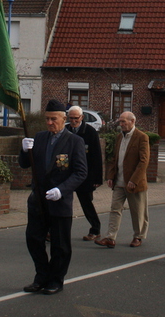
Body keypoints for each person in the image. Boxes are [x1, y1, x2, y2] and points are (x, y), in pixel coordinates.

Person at [19, 99, 88, 295]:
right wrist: (23, 151)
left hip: (59, 201)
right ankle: (41, 276)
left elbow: (80, 172)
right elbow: (25, 164)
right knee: (34, 239)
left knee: (60, 245)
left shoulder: (74, 142)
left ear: (63, 119)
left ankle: (56, 279)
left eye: (54, 119)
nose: (49, 123)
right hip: (38, 201)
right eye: (47, 119)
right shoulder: (40, 138)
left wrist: (62, 190)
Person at [96, 112, 150, 248]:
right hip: (119, 181)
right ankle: (110, 237)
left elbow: (144, 161)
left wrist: (134, 180)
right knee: (115, 209)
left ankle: (138, 236)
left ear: (132, 121)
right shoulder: (119, 137)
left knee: (137, 211)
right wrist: (111, 176)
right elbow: (115, 158)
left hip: (134, 183)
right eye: (120, 122)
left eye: (123, 122)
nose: (121, 124)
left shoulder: (141, 137)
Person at [66, 106, 104, 241]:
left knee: (86, 203)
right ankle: (56, 231)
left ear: (82, 117)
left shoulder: (90, 132)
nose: (73, 121)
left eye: (76, 118)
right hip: (67, 174)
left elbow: (96, 156)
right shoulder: (66, 130)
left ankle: (95, 229)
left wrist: (97, 178)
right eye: (71, 118)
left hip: (85, 175)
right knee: (62, 204)